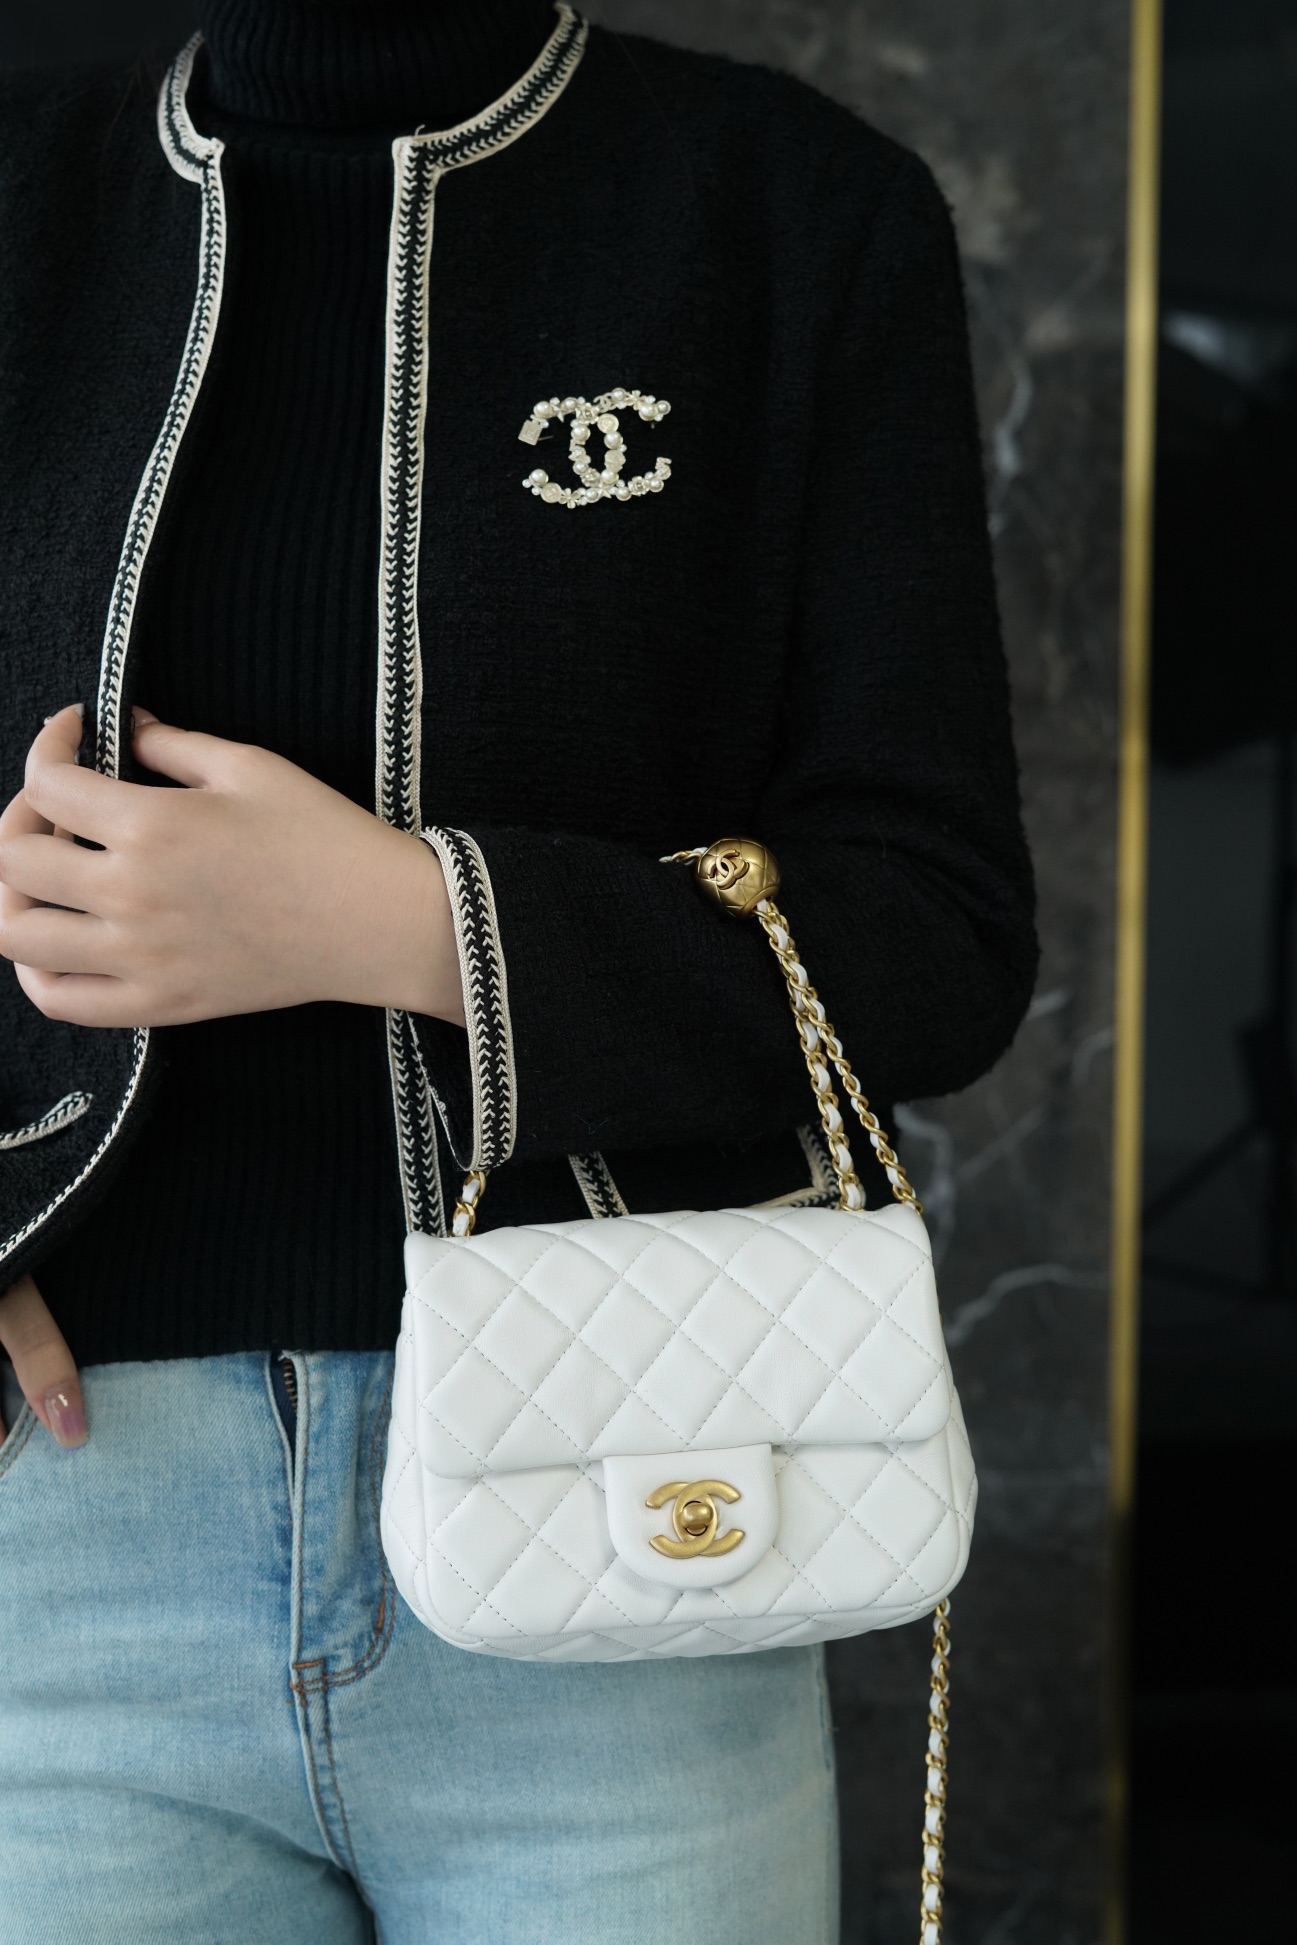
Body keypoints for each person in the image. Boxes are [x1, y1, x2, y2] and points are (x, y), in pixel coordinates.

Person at [0, 1, 1037, 1938]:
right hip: (56, 1541)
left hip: (637, 1496)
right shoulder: (26, 193)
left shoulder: (783, 211)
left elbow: (935, 932)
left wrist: (410, 922)